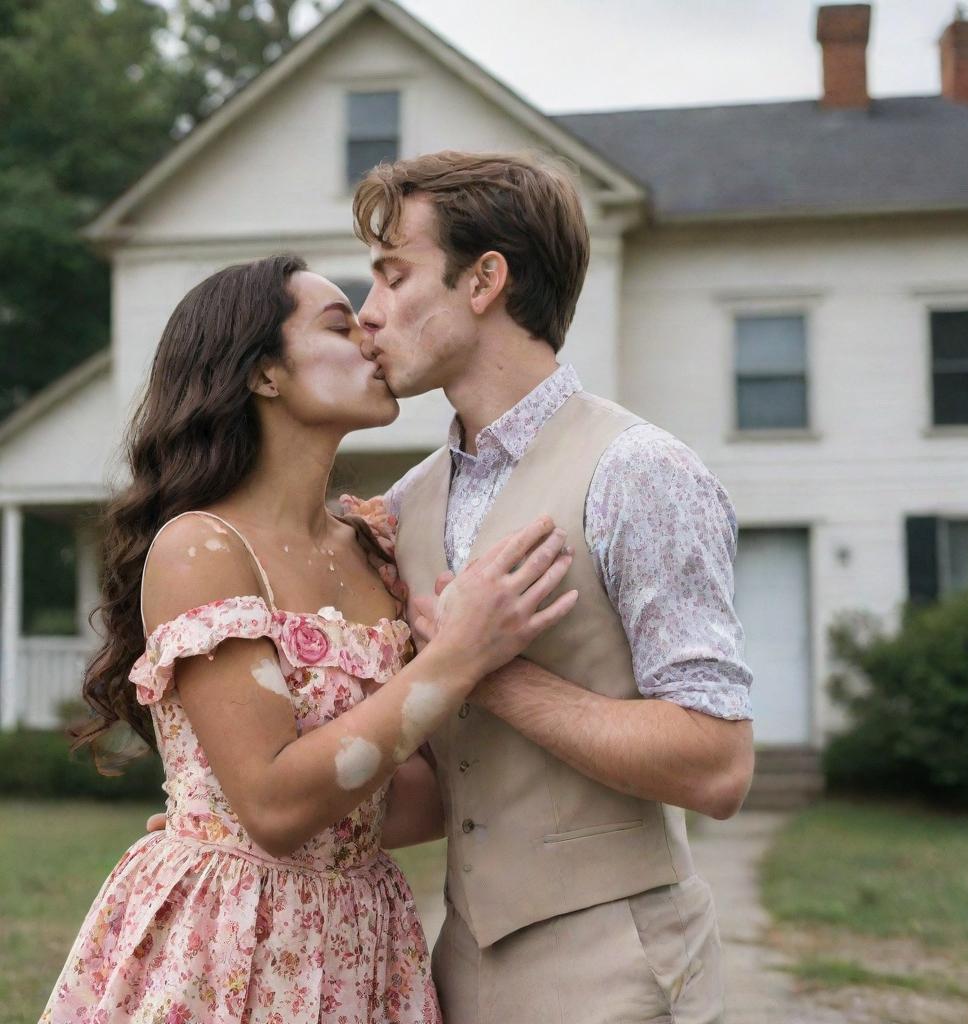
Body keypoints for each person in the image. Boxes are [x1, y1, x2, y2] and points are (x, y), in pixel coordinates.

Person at [40, 254, 579, 1024]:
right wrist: (458, 658)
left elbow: (401, 805)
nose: (371, 332)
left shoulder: (376, 545)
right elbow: (274, 806)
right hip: (227, 945)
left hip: (363, 939)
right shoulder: (204, 548)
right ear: (263, 374)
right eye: (339, 323)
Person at [349, 151, 756, 1024]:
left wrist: (488, 672)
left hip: (624, 971)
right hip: (457, 967)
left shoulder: (639, 470)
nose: (367, 314)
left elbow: (719, 765)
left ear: (484, 280)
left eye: (393, 275)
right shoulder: (405, 505)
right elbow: (436, 779)